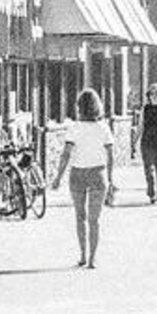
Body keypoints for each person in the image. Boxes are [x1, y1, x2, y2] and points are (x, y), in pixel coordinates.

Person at [51, 88, 114, 268]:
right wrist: (110, 178)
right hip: (98, 174)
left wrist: (58, 177)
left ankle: (82, 255)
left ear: (79, 107)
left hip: (77, 174)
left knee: (80, 217)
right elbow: (110, 155)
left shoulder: (74, 128)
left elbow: (66, 154)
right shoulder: (103, 128)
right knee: (95, 219)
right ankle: (93, 258)